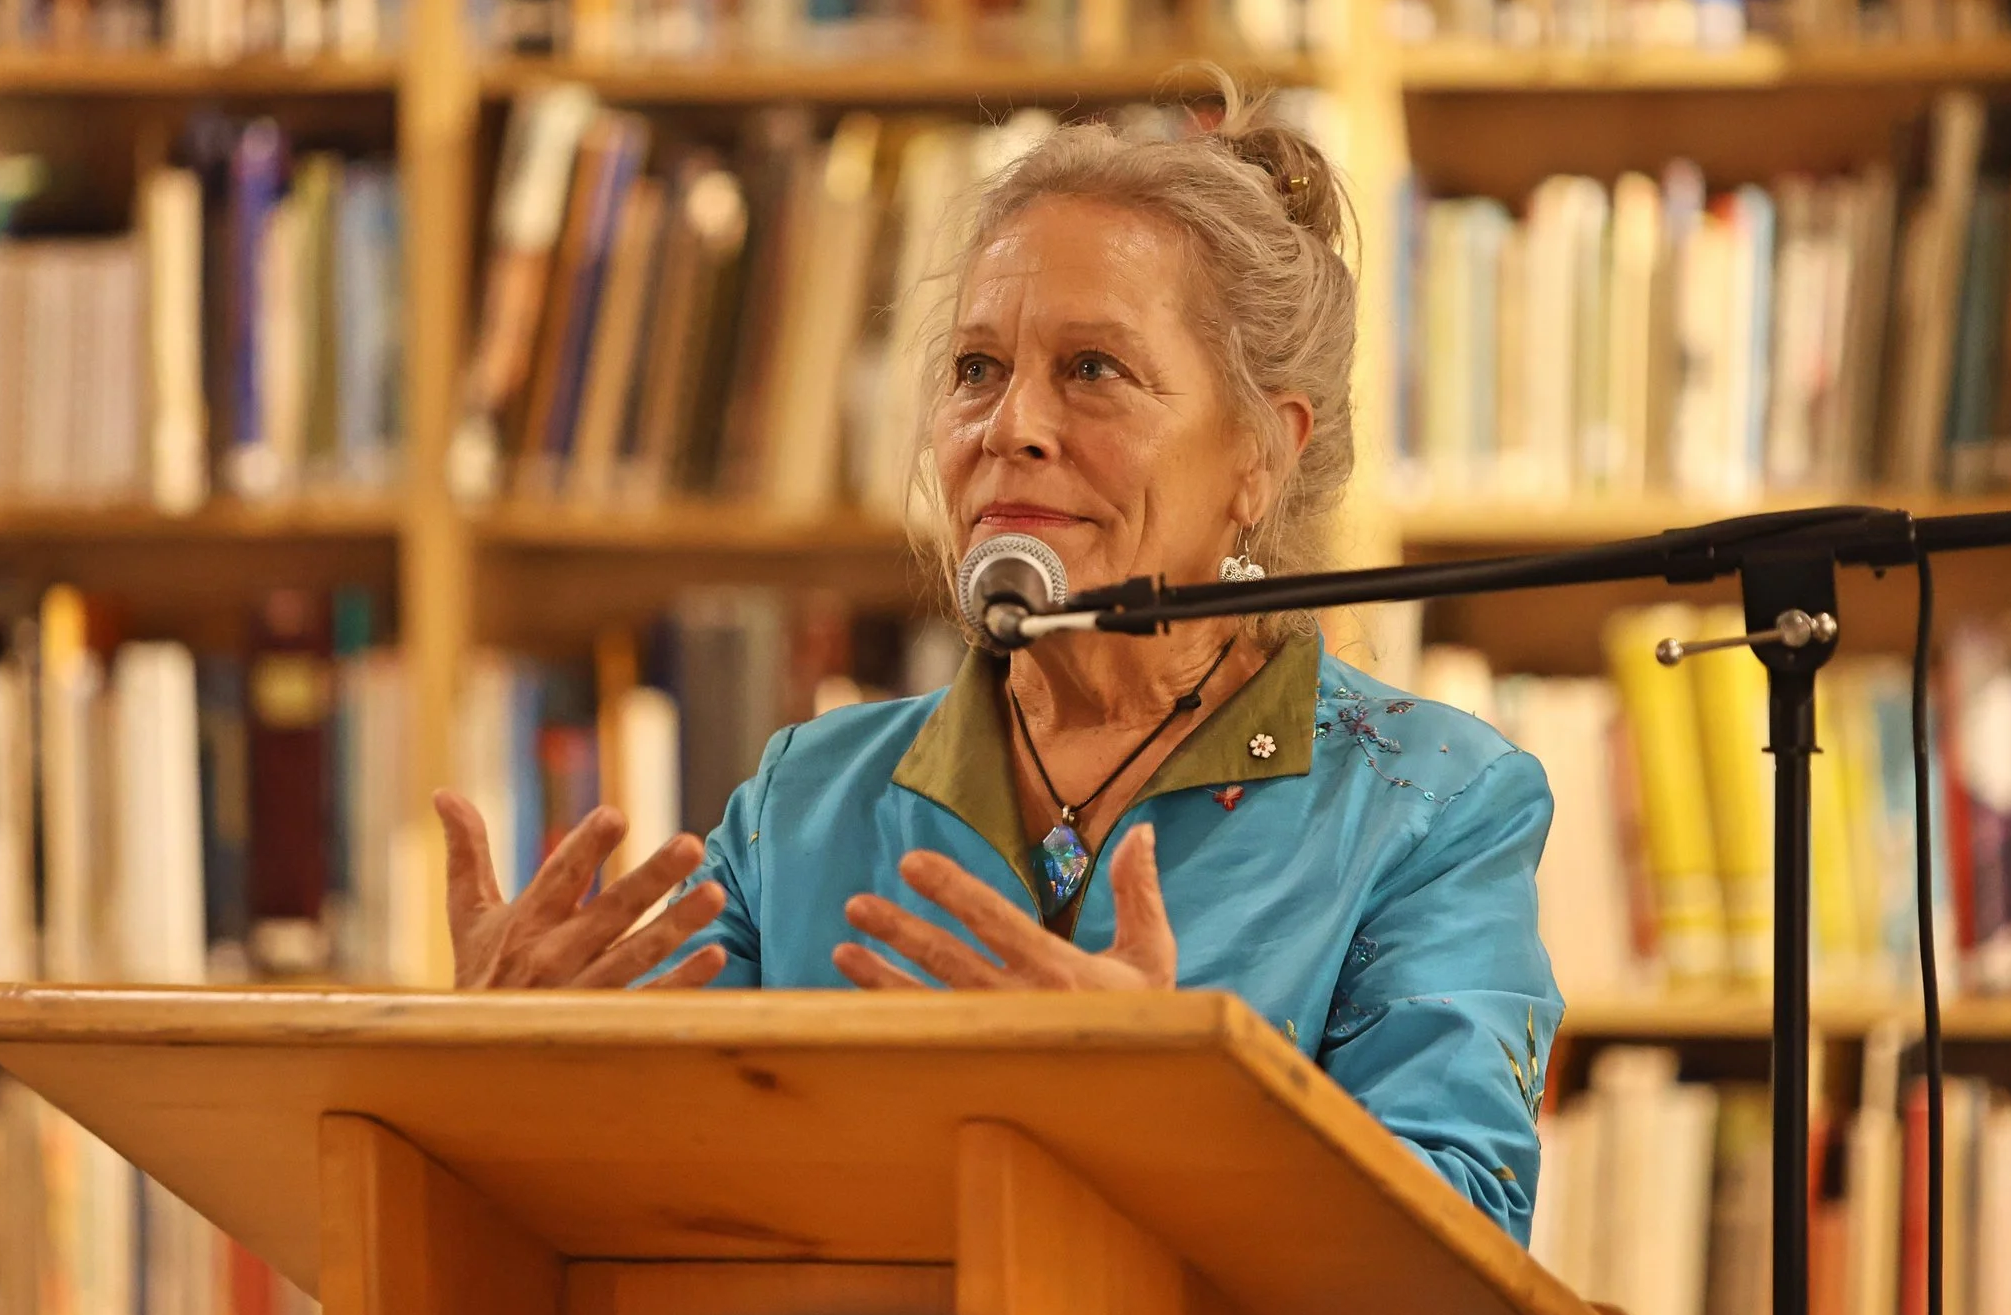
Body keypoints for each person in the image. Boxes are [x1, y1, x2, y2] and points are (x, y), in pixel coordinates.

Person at [432, 89, 1562, 1242]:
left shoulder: (1433, 803)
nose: (1009, 423)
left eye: (1092, 369)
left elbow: (1459, 1238)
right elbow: (671, 1197)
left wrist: (1163, 1114)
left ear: (1263, 453)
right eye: (975, 368)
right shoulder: (810, 795)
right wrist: (511, 1079)